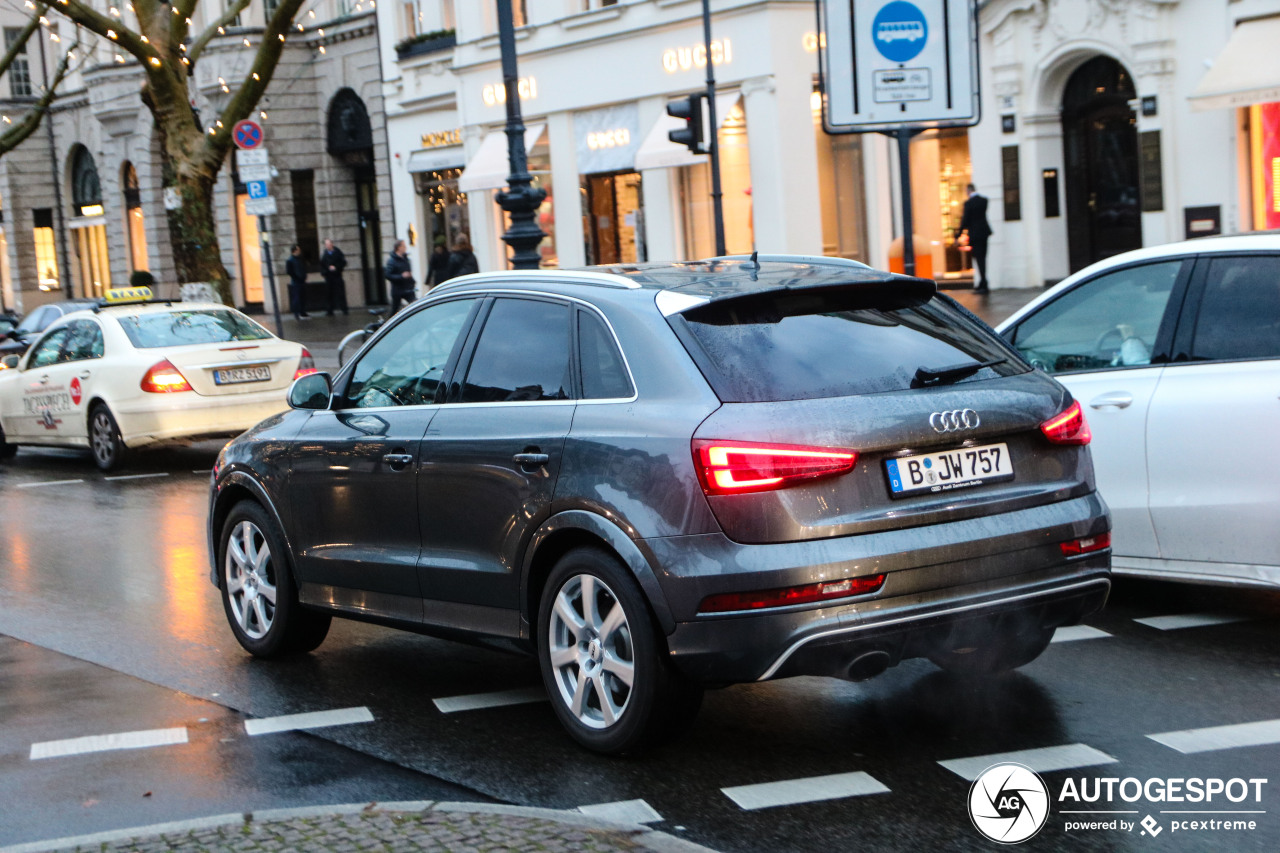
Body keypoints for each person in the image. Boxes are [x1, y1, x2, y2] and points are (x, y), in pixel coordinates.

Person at [958, 183, 993, 292]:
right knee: (983, 258)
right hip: (984, 233)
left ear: (968, 191)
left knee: (978, 259)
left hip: (975, 234)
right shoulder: (984, 201)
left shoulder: (968, 203)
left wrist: (958, 234)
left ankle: (983, 283)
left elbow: (965, 220)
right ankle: (983, 282)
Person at [385, 240, 416, 313]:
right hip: (397, 290)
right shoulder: (392, 261)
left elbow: (408, 272)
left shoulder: (406, 259)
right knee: (395, 310)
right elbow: (388, 275)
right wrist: (401, 276)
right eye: (404, 246)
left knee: (414, 305)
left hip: (408, 288)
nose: (405, 248)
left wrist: (412, 282)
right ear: (399, 248)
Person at [320, 238, 349, 316]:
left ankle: (344, 309)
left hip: (337, 275)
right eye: (326, 244)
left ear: (332, 244)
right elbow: (322, 265)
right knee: (329, 294)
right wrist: (325, 272)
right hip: (329, 276)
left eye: (328, 244)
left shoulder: (338, 252)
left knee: (340, 293)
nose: (327, 246)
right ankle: (330, 310)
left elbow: (343, 262)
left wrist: (336, 267)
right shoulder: (325, 254)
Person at [284, 244, 310, 320]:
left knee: (303, 297)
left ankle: (303, 312)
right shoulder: (290, 260)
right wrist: (296, 277)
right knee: (297, 298)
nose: (300, 251)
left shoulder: (300, 259)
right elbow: (290, 271)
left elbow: (303, 268)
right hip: (296, 282)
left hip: (301, 281)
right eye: (298, 250)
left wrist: (304, 276)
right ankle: (297, 313)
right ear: (295, 251)